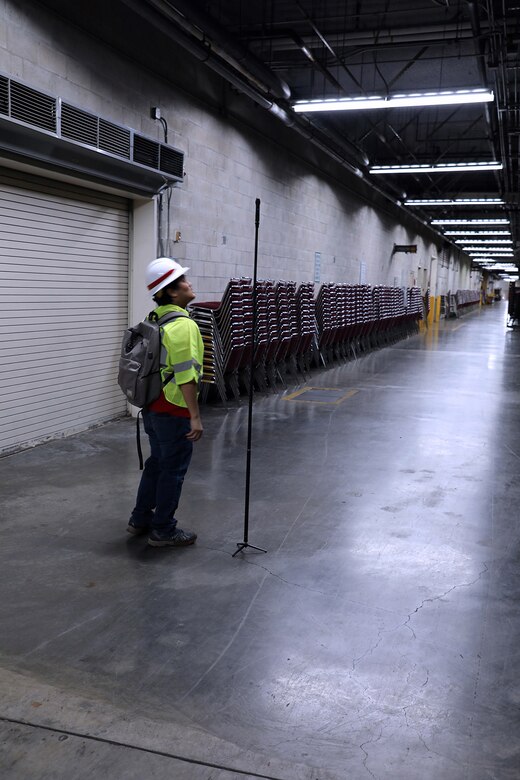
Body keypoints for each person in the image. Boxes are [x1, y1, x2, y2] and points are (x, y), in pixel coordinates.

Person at [127, 257, 204, 547]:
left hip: (152, 408)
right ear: (172, 291)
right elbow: (186, 375)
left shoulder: (155, 318)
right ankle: (164, 529)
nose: (189, 283)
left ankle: (140, 519)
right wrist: (194, 416)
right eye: (184, 280)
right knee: (173, 471)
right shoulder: (183, 325)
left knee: (157, 464)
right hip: (173, 410)